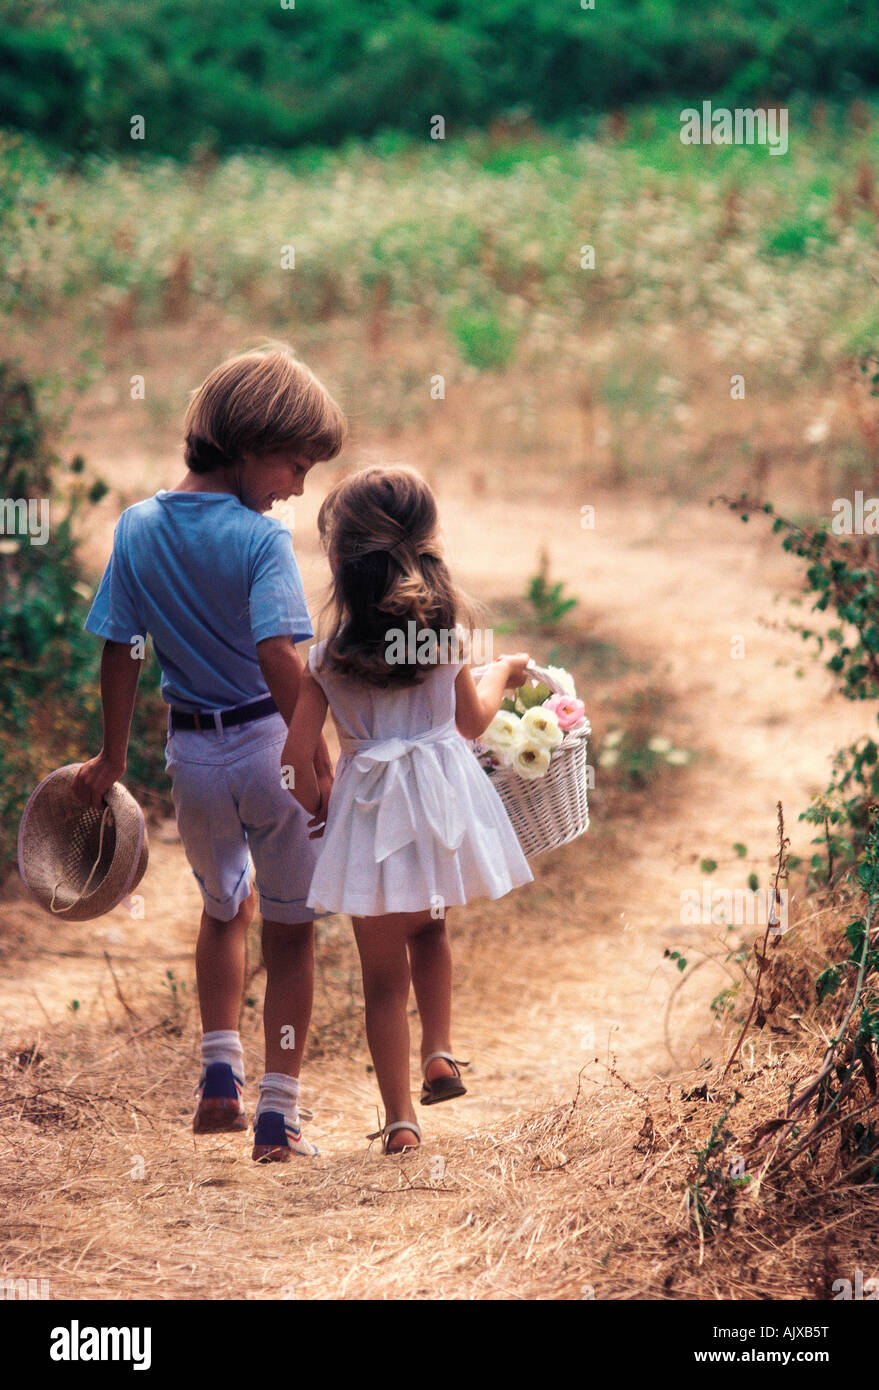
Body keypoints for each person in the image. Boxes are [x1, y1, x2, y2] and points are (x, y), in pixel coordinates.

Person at [73, 345, 345, 1162]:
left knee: (225, 908)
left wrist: (111, 757)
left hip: (192, 759)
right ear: (252, 444)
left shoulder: (138, 526)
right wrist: (315, 750)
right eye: (295, 467)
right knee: (292, 932)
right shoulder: (260, 542)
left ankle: (218, 1078)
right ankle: (277, 1117)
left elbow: (120, 649)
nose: (297, 488)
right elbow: (278, 657)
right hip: (269, 742)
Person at [282, 466, 533, 1153]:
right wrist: (503, 675)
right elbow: (473, 723)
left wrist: (315, 805)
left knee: (382, 981)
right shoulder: (443, 636)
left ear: (342, 562)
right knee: (431, 932)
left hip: (369, 816)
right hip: (436, 807)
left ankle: (400, 1122)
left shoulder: (329, 656)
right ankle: (440, 1052)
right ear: (426, 545)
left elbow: (296, 751)